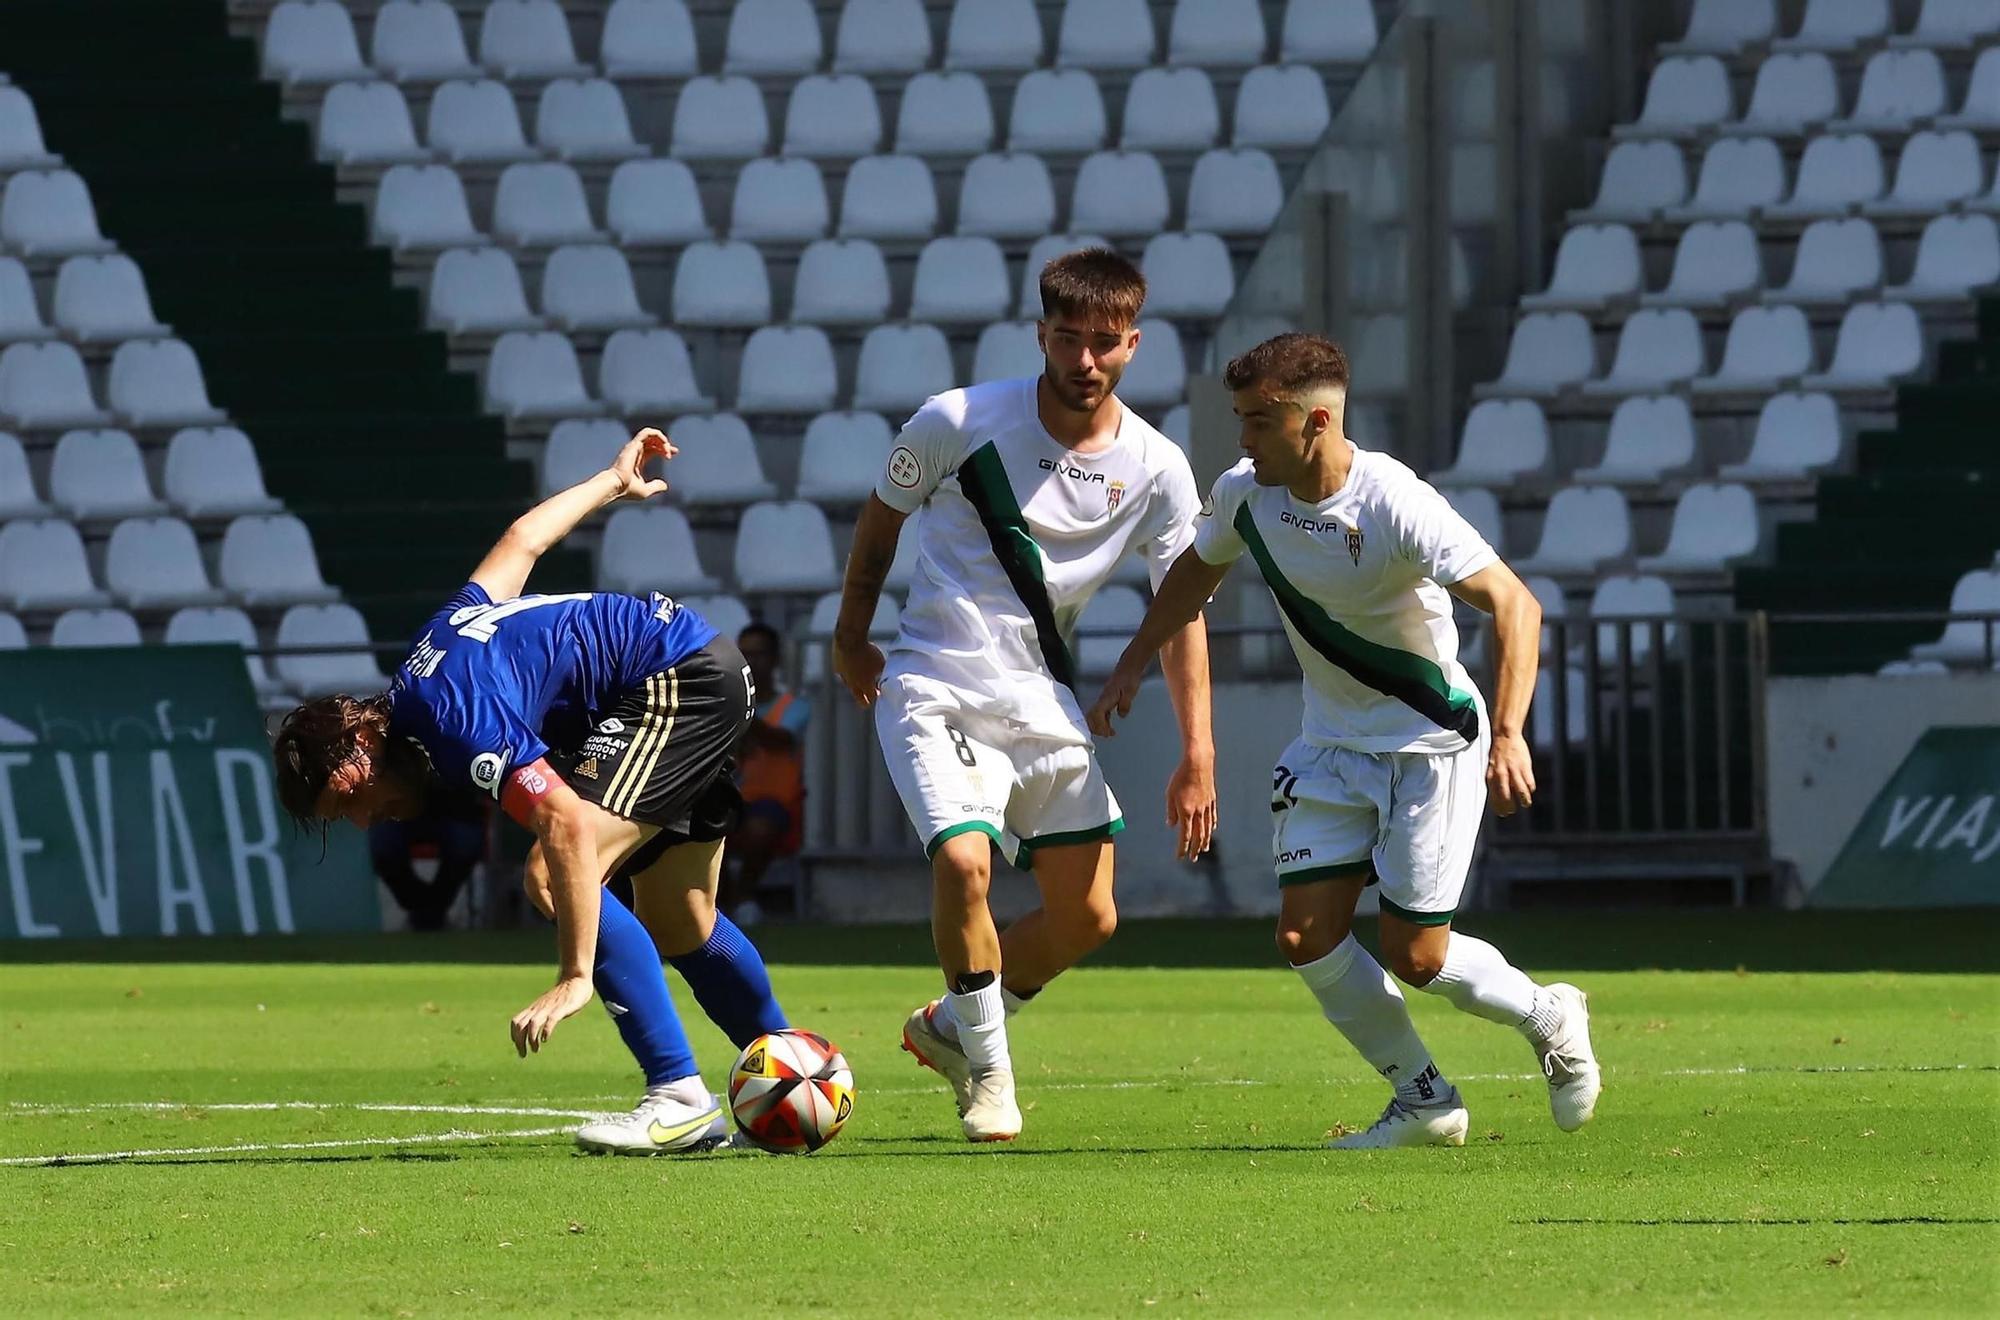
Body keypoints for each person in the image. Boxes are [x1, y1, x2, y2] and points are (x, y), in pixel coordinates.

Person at [1087, 332, 1601, 1149]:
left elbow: (1516, 605)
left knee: (1418, 958)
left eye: (1260, 423)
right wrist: (1131, 663)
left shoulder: (1394, 502)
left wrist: (1509, 734)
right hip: (1330, 745)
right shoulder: (1247, 494)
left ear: (1316, 422)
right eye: (1240, 422)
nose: (1244, 441)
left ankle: (1550, 1013)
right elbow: (1193, 572)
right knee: (1304, 936)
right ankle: (1426, 1101)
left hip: (1430, 746)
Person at [272, 429, 789, 1155]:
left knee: (554, 870)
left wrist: (576, 976)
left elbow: (565, 825)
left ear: (362, 742)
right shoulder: (424, 667)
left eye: (349, 799)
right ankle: (798, 1067)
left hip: (673, 683)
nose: (363, 820)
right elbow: (521, 541)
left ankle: (677, 1094)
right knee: (683, 919)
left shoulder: (450, 717)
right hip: (697, 668)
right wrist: (612, 482)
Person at [831, 247, 1217, 1143]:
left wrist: (1199, 750)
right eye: (1070, 339)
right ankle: (992, 1078)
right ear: (1040, 333)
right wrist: (852, 637)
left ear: (1135, 343)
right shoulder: (956, 420)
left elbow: (1183, 605)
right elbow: (881, 520)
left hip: (1040, 700)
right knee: (964, 863)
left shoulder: (1159, 467)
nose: (1086, 361)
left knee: (1089, 918)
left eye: (1107, 343)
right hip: (933, 682)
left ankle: (950, 1028)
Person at [722, 621, 811, 923]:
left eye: (759, 654)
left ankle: (742, 899)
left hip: (775, 803)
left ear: (775, 659)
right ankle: (721, 905)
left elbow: (779, 739)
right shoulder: (726, 704)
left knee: (760, 828)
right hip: (729, 798)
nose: (751, 661)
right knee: (698, 827)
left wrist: (741, 710)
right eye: (744, 654)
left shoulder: (794, 706)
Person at [366, 784, 486, 931]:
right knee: (384, 844)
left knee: (465, 843)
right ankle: (424, 909)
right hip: (400, 806)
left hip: (455, 806)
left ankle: (432, 910)